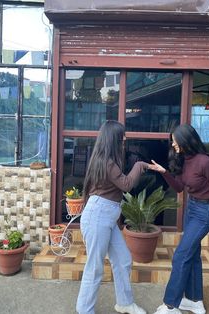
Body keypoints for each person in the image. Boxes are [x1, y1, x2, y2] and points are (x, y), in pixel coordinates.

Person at [148, 124, 209, 314]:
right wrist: (164, 172)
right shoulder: (185, 159)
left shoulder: (205, 162)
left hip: (204, 213)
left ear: (186, 140)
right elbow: (179, 187)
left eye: (175, 140)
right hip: (191, 210)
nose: (173, 144)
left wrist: (202, 191)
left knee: (181, 256)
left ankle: (170, 305)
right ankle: (195, 301)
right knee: (192, 256)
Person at [76, 120, 150, 314]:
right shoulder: (106, 162)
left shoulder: (105, 159)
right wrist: (140, 165)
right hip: (98, 217)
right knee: (95, 268)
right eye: (121, 137)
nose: (124, 140)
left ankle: (124, 303)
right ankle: (84, 310)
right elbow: (126, 184)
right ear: (113, 139)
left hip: (105, 217)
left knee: (123, 259)